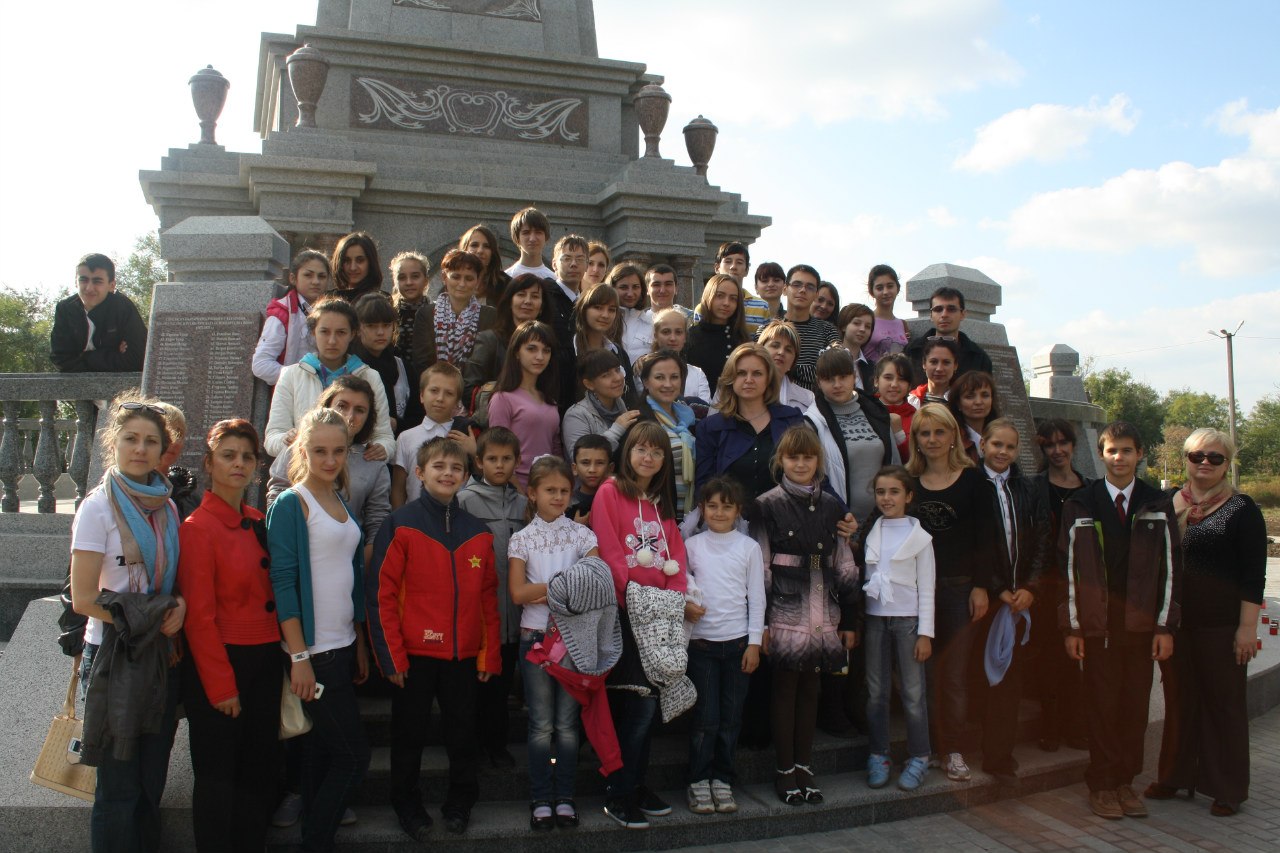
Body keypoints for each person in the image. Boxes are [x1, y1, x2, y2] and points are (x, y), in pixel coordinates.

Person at [366, 436, 500, 839]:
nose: (448, 473)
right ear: (420, 473)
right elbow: (381, 594)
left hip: (463, 656)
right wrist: (391, 657)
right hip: (414, 656)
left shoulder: (478, 532)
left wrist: (489, 654)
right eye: (439, 466)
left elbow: (487, 599)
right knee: (409, 736)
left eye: (456, 468)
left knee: (463, 735)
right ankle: (406, 803)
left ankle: (460, 802)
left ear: (466, 475)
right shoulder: (400, 524)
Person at [70, 395, 185, 853]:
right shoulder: (97, 508)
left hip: (159, 656)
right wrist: (149, 616)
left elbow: (171, 582)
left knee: (149, 785)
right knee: (117, 790)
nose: (140, 449)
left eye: (150, 441)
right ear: (113, 444)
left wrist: (178, 605)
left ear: (163, 450)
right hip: (113, 656)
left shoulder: (167, 507)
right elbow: (84, 598)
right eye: (131, 439)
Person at [1059, 421, 1182, 820]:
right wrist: (1072, 627)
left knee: (1133, 708)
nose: (1119, 458)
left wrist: (1164, 626)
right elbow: (1067, 570)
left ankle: (1125, 781)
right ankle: (1102, 784)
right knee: (1102, 706)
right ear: (1101, 455)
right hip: (1099, 627)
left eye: (1127, 450)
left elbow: (1170, 570)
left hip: (1141, 628)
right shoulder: (1082, 503)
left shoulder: (1157, 503)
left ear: (1140, 454)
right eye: (1112, 451)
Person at [266, 407, 371, 853]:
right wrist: (299, 658)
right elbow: (283, 582)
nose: (330, 460)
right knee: (354, 756)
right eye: (319, 451)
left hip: (342, 645)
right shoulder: (292, 503)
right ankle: (316, 841)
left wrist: (359, 642)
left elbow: (348, 576)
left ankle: (315, 834)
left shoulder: (339, 499)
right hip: (314, 652)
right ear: (302, 450)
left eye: (338, 451)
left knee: (319, 753)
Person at [1147, 428, 1266, 817]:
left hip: (1221, 625)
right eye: (1197, 456)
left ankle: (1227, 787)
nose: (1205, 463)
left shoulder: (1241, 509)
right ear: (1185, 458)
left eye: (1215, 457)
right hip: (1176, 625)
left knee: (1223, 705)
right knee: (1180, 701)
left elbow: (1253, 576)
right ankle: (1174, 775)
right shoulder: (1167, 503)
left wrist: (1247, 629)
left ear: (1227, 464)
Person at [178, 419, 280, 852]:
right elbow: (199, 618)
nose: (239, 464)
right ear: (209, 463)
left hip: (266, 661)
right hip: (222, 665)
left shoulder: (258, 520)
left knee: (259, 773)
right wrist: (221, 687)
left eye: (247, 457)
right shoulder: (197, 528)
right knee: (218, 779)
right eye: (228, 456)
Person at [592, 422, 689, 830]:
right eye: (641, 449)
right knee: (637, 705)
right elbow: (610, 549)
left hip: (659, 615)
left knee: (648, 704)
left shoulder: (661, 503)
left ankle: (636, 784)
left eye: (657, 452)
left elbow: (677, 556)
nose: (648, 458)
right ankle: (619, 793)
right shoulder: (610, 492)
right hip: (626, 611)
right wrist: (632, 596)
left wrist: (674, 596)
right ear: (627, 451)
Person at [755, 426, 859, 806]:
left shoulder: (832, 506)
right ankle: (785, 769)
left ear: (818, 461)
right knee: (785, 686)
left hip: (823, 608)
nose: (800, 464)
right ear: (780, 460)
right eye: (793, 457)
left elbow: (844, 564)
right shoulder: (766, 504)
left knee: (812, 685)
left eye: (808, 457)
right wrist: (761, 623)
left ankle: (805, 766)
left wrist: (850, 619)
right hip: (785, 609)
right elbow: (760, 567)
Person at [906, 403, 998, 784]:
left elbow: (987, 538)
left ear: (953, 437)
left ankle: (953, 749)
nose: (932, 440)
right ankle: (927, 748)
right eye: (924, 433)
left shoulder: (974, 481)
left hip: (960, 589)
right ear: (916, 439)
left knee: (955, 675)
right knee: (924, 675)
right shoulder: (910, 482)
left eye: (939, 432)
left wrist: (981, 586)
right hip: (917, 594)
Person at [508, 455, 601, 830]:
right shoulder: (522, 539)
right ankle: (540, 797)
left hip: (574, 638)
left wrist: (546, 591)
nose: (559, 496)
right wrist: (565, 586)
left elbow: (594, 585)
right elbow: (518, 593)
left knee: (566, 724)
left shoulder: (583, 535)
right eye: (550, 490)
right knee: (541, 724)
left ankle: (565, 796)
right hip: (535, 638)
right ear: (532, 493)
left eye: (564, 490)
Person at [683, 477, 764, 815]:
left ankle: (722, 779)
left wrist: (754, 643)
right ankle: (698, 780)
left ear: (738, 510)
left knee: (731, 717)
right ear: (702, 509)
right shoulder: (692, 546)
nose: (719, 512)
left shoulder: (749, 548)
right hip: (701, 646)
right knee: (706, 718)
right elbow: (682, 588)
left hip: (737, 645)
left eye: (726, 506)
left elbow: (757, 598)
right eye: (712, 506)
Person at [978, 418, 1051, 785]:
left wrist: (1031, 587)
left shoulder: (1029, 488)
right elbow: (973, 543)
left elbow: (1042, 539)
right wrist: (996, 588)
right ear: (983, 446)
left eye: (1009, 446)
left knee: (1009, 679)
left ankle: (1000, 757)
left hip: (1020, 598)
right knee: (978, 675)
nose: (1002, 452)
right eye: (996, 445)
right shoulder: (972, 484)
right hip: (986, 597)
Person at [457, 427, 527, 770]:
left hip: (513, 613)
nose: (500, 465)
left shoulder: (523, 503)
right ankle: (471, 747)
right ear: (479, 462)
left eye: (506, 459)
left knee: (501, 686)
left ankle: (497, 745)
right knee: (473, 688)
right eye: (492, 459)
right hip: (478, 613)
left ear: (517, 461)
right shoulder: (464, 500)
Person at [861, 465, 934, 792]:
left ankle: (920, 755)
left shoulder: (920, 538)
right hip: (875, 619)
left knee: (913, 692)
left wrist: (925, 633)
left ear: (908, 496)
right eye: (881, 492)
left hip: (908, 621)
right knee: (876, 692)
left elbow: (928, 587)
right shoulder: (871, 531)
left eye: (894, 492)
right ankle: (879, 754)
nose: (887, 498)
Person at [268, 375, 391, 561]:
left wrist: (362, 568)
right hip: (295, 555)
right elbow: (277, 495)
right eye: (342, 406)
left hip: (349, 560)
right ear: (327, 405)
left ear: (369, 417)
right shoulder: (297, 447)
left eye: (360, 410)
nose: (350, 416)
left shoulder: (373, 462)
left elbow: (377, 522)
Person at [263, 297, 394, 460]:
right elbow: (272, 437)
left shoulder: (369, 376)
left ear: (353, 334)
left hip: (355, 467)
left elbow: (384, 436)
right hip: (304, 467)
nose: (332, 341)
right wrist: (287, 440)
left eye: (341, 332)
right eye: (324, 332)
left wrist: (382, 449)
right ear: (313, 331)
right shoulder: (291, 375)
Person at [1029, 418, 1090, 753]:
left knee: (1077, 656)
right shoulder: (1034, 487)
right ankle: (1050, 726)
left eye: (1062, 443)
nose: (1057, 450)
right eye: (1049, 445)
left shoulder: (1089, 488)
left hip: (1080, 584)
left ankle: (1076, 724)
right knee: (1049, 657)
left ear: (1073, 445)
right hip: (1047, 584)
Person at [694, 343, 804, 502]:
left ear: (768, 379)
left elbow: (812, 472)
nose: (749, 380)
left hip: (784, 514)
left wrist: (839, 510)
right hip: (730, 516)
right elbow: (704, 488)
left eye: (757, 373)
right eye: (741, 373)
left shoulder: (791, 419)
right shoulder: (710, 428)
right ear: (731, 378)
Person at [804, 347, 898, 526]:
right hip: (840, 524)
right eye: (829, 379)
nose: (837, 384)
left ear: (854, 377)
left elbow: (895, 465)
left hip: (883, 520)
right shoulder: (812, 422)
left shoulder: (875, 411)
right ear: (819, 382)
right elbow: (811, 479)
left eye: (843, 377)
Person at [488, 321, 562, 488]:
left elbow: (556, 450)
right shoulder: (502, 398)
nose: (540, 357)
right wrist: (521, 494)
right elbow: (499, 453)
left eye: (546, 350)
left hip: (547, 490)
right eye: (531, 349)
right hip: (514, 490)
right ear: (516, 352)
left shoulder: (550, 400)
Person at [391, 362, 476, 508]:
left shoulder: (465, 436)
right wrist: (400, 518)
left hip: (456, 514)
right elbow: (398, 489)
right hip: (415, 516)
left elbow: (480, 478)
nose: (440, 398)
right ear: (421, 395)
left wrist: (474, 452)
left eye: (449, 393)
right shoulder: (406, 437)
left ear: (457, 402)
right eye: (434, 390)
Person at [51, 253, 147, 373]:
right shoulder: (65, 309)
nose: (89, 288)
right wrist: (112, 353)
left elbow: (137, 359)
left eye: (97, 281)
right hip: (74, 383)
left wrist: (83, 356)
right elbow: (60, 359)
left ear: (112, 285)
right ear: (76, 282)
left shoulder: (123, 308)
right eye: (83, 280)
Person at [463, 272, 548, 405]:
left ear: (542, 307)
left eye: (535, 296)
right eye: (521, 294)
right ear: (509, 301)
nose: (527, 301)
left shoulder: (549, 343)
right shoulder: (489, 341)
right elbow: (469, 390)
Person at [412, 249, 497, 378]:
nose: (462, 284)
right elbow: (421, 362)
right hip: (433, 386)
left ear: (477, 281)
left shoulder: (490, 316)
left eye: (469, 278)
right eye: (456, 277)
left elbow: (488, 361)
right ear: (444, 277)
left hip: (474, 387)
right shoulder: (426, 314)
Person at [635, 350, 698, 520]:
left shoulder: (688, 416)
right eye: (660, 377)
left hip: (688, 516)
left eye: (674, 377)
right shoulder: (640, 419)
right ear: (646, 382)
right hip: (656, 514)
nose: (668, 384)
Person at [252, 250, 329, 385]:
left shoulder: (333, 312)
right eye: (308, 275)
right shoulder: (282, 314)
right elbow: (261, 364)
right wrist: (300, 379)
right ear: (293, 278)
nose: (316, 281)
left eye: (321, 276)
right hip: (294, 391)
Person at [903, 286, 993, 385]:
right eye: (938, 309)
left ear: (963, 314)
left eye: (951, 309)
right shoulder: (912, 351)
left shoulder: (979, 358)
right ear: (931, 315)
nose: (944, 314)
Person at [561, 348, 640, 456]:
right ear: (589, 384)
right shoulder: (576, 415)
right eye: (606, 375)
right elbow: (581, 458)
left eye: (617, 370)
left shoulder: (621, 405)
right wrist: (617, 429)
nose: (617, 378)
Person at [352, 293, 409, 433]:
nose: (380, 332)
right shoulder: (350, 367)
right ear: (358, 329)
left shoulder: (402, 366)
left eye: (386, 325)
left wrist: (397, 424)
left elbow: (417, 415)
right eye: (371, 326)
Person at [546, 235, 590, 412]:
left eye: (580, 259)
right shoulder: (545, 297)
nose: (573, 264)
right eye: (567, 258)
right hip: (552, 386)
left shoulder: (588, 304)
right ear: (554, 264)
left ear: (587, 265)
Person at [780, 264, 839, 392]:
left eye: (810, 287)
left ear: (816, 294)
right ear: (785, 289)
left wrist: (785, 368)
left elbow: (836, 367)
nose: (803, 290)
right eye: (797, 284)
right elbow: (763, 368)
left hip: (815, 400)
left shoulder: (828, 330)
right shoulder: (767, 329)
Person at [685, 274, 748, 391]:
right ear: (708, 296)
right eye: (720, 296)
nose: (726, 303)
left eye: (733, 298)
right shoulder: (690, 337)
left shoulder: (743, 340)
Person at [572, 283, 636, 395]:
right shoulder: (568, 351)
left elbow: (631, 397)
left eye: (611, 310)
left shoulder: (619, 352)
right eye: (598, 308)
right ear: (583, 309)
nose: (605, 315)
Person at [650, 308, 712, 402]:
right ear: (656, 336)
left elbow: (704, 408)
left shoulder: (697, 374)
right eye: (666, 332)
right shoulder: (643, 370)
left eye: (678, 332)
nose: (673, 338)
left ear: (685, 336)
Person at [711, 241, 771, 335]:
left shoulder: (761, 306)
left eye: (739, 262)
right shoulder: (706, 305)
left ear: (747, 270)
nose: (733, 267)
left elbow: (765, 341)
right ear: (717, 268)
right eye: (728, 261)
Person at [757, 320, 815, 413]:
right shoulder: (744, 388)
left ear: (793, 362)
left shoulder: (808, 399)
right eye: (775, 346)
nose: (781, 352)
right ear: (760, 349)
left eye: (788, 350)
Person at [948, 370, 1001, 464]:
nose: (978, 402)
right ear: (958, 403)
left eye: (985, 395)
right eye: (970, 397)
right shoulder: (951, 439)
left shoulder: (1001, 435)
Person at [389, 251, 429, 367]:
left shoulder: (437, 313)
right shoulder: (389, 314)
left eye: (415, 276)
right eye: (402, 278)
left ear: (426, 280)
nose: (409, 282)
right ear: (395, 282)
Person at [864, 264, 910, 364]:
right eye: (879, 288)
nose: (885, 292)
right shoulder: (866, 321)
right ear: (872, 292)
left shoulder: (902, 324)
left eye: (890, 286)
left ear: (897, 288)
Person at [876, 353, 916, 462]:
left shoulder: (917, 418)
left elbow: (916, 460)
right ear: (876, 381)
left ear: (909, 386)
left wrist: (899, 435)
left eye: (901, 379)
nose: (894, 384)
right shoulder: (865, 410)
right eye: (888, 378)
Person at [459, 224, 511, 305]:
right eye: (474, 245)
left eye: (486, 246)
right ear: (464, 249)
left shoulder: (505, 285)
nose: (480, 251)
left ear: (492, 253)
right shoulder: (452, 281)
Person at [610, 263, 651, 365]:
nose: (630, 293)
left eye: (635, 287)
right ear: (612, 288)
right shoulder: (604, 320)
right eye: (623, 287)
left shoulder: (651, 323)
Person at [568, 434, 612, 522]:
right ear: (574, 468)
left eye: (599, 463)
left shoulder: (616, 501)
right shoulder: (566, 504)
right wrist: (574, 527)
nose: (592, 470)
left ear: (610, 468)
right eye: (585, 463)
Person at [329, 232, 383, 303]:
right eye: (347, 260)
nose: (353, 267)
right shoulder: (330, 299)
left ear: (371, 262)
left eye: (360, 260)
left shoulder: (380, 301)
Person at [908, 337, 960, 407]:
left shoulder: (961, 401)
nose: (939, 369)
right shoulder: (910, 401)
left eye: (946, 362)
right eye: (934, 362)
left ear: (955, 365)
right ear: (924, 363)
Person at [506, 207, 554, 280]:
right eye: (526, 233)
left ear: (546, 237)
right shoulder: (507, 278)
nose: (532, 239)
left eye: (538, 232)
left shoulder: (554, 280)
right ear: (517, 238)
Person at [836, 303, 876, 391]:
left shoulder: (871, 367)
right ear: (844, 326)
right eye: (856, 323)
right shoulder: (830, 359)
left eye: (868, 326)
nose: (862, 329)